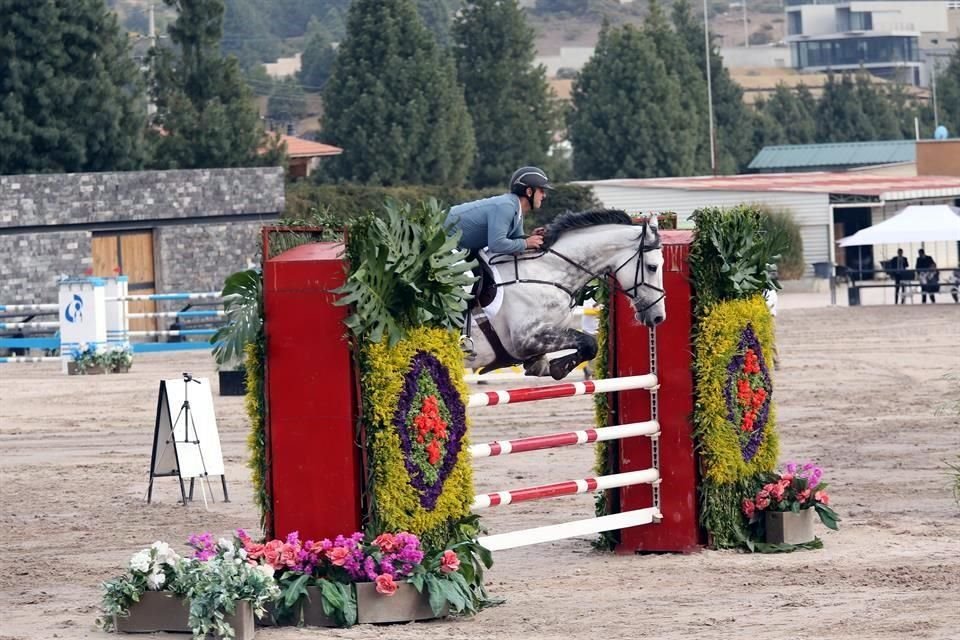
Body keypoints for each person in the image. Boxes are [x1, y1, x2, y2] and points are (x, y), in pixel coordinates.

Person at [444, 166, 553, 258]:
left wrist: (529, 238)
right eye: (541, 191)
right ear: (529, 192)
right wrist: (525, 243)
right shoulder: (507, 206)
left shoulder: (516, 209)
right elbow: (496, 244)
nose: (544, 195)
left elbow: (514, 240)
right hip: (438, 237)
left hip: (453, 245)